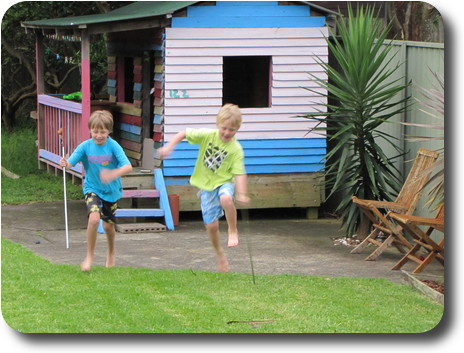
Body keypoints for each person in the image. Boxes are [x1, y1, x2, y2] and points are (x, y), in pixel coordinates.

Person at [157, 104, 250, 272]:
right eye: (224, 128)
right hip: (206, 186)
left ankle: (233, 230)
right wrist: (169, 146)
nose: (227, 133)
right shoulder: (208, 135)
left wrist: (242, 193)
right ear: (217, 124)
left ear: (237, 130)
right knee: (212, 226)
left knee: (226, 198)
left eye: (232, 130)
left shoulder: (236, 149)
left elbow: (240, 173)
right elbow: (184, 133)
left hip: (224, 182)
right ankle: (219, 254)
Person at [60, 110, 132, 271]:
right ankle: (89, 257)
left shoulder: (113, 146)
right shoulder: (85, 146)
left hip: (112, 191)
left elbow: (128, 166)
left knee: (108, 227)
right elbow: (70, 163)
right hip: (92, 188)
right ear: (90, 130)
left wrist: (112, 174)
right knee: (93, 219)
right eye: (95, 131)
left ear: (109, 131)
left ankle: (111, 252)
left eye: (103, 132)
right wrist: (65, 163)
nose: (99, 135)